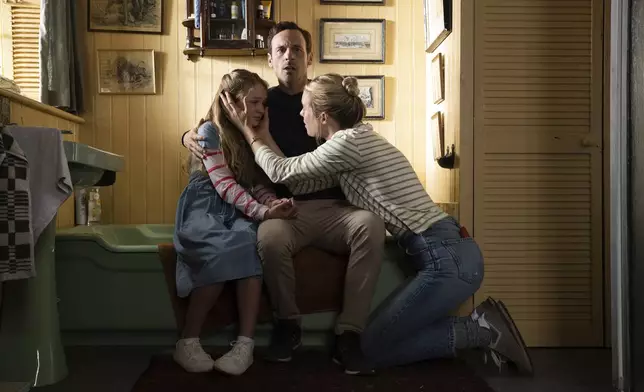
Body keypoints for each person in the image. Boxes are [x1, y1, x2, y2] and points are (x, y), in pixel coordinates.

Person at [220, 73, 534, 375]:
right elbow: (297, 183)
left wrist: (251, 133)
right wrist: (261, 138)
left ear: (324, 115)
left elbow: (279, 172)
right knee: (375, 343)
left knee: (370, 348)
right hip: (445, 252)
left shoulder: (347, 145)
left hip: (446, 258)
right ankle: (482, 328)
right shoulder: (351, 144)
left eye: (305, 107)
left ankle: (481, 332)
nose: (301, 113)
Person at [182, 22, 385, 376]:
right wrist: (187, 135)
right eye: (280, 50)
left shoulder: (325, 99)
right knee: (268, 238)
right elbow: (215, 127)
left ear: (309, 56)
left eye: (296, 49)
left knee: (370, 225)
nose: (289, 56)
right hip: (287, 210)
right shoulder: (259, 102)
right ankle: (287, 324)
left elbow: (357, 140)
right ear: (271, 59)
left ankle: (349, 335)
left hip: (337, 208)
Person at [173, 69, 297, 376]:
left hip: (240, 207)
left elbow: (255, 183)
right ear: (231, 102)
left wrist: (272, 202)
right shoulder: (208, 132)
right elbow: (225, 184)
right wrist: (262, 212)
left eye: (264, 103)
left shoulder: (249, 138)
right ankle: (188, 340)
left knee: (247, 242)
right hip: (206, 206)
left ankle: (245, 343)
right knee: (221, 245)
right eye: (254, 102)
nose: (261, 110)